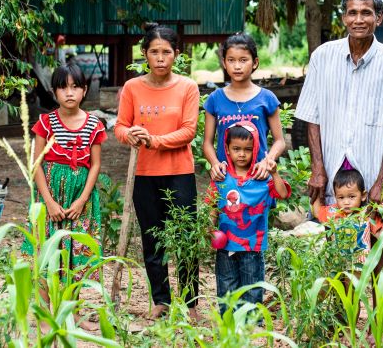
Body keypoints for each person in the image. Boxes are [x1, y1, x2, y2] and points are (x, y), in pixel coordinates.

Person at [295, 0, 383, 270]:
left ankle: (380, 315)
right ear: (343, 17)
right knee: (340, 258)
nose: (358, 19)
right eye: (352, 13)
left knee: (380, 257)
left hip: (374, 174)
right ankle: (345, 316)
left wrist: (381, 182)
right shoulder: (322, 57)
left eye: (366, 13)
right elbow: (312, 117)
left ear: (379, 18)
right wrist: (317, 169)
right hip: (336, 179)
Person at [113, 23, 201, 320]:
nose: (160, 58)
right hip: (144, 174)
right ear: (145, 54)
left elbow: (189, 131)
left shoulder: (187, 87)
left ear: (177, 54)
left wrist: (155, 140)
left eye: (166, 52)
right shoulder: (132, 88)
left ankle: (191, 303)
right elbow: (120, 126)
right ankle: (160, 300)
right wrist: (131, 135)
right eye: (154, 52)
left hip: (180, 173)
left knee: (185, 236)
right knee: (153, 237)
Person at [22, 64, 107, 329]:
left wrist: (82, 200)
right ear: (54, 91)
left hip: (80, 199)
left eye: (75, 87)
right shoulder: (45, 123)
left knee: (76, 252)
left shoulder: (94, 123)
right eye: (63, 87)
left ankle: (75, 311)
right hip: (50, 196)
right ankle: (45, 311)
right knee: (47, 249)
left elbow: (94, 165)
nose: (69, 93)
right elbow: (35, 163)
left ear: (84, 91)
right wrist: (48, 201)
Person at [207, 121, 290, 312]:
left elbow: (283, 193)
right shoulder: (221, 176)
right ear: (227, 148)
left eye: (247, 149)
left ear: (256, 150)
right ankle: (229, 321)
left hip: (253, 245)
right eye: (236, 149)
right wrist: (209, 228)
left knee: (253, 286)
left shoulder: (262, 178)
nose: (242, 154)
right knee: (226, 285)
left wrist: (274, 173)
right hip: (225, 244)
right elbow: (212, 204)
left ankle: (253, 324)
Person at [202, 33, 286, 182]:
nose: (237, 66)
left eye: (243, 60)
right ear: (224, 63)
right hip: (225, 178)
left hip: (258, 176)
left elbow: (280, 141)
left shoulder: (267, 98)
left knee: (259, 207)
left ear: (255, 62)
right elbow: (207, 143)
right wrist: (214, 164)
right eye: (231, 60)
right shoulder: (214, 99)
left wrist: (267, 161)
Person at [311, 168, 383, 265]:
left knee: (354, 279)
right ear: (335, 196)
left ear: (363, 195)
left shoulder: (366, 215)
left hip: (359, 265)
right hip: (336, 264)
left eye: (352, 197)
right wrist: (315, 188)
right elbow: (317, 212)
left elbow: (382, 238)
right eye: (341, 197)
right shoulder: (333, 212)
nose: (346, 202)